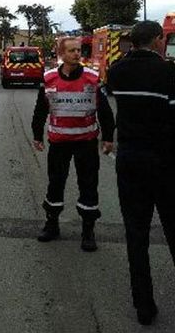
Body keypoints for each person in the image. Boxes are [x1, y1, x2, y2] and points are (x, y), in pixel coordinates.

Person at [107, 20, 175, 326]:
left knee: (136, 234)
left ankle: (144, 306)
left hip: (130, 160)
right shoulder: (168, 73)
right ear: (158, 40)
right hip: (165, 161)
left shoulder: (118, 72)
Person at [31, 36, 115, 252]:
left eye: (79, 50)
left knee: (88, 185)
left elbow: (104, 111)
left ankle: (88, 230)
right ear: (62, 54)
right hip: (59, 143)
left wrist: (108, 137)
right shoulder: (49, 79)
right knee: (55, 183)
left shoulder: (92, 78)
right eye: (71, 51)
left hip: (86, 143)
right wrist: (37, 135)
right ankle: (52, 224)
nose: (77, 54)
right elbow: (41, 109)